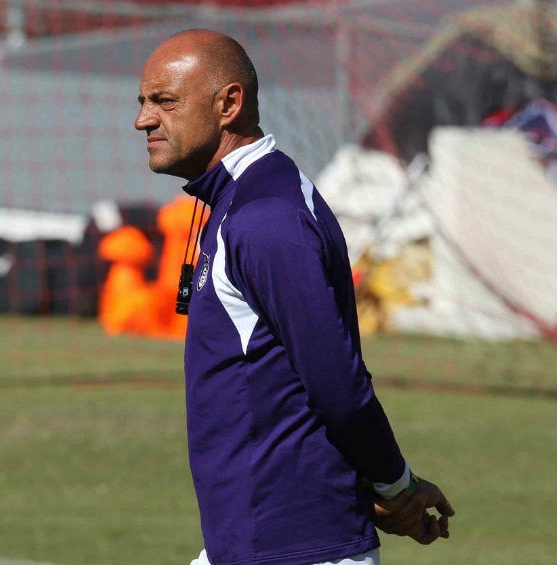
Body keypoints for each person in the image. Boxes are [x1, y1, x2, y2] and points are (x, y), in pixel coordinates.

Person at [134, 29, 455, 565]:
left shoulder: (266, 218)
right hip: (254, 541)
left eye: (164, 101)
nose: (144, 120)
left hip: (294, 547)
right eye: (143, 103)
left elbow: (337, 384)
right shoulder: (250, 199)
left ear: (229, 104)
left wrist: (396, 487)